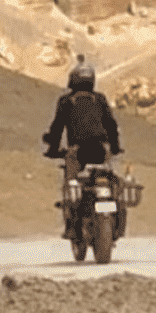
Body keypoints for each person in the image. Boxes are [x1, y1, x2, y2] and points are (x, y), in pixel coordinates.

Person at [42, 56, 123, 237]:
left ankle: (72, 225)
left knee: (72, 183)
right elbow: (111, 125)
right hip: (102, 150)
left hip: (78, 151)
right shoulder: (100, 99)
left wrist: (52, 149)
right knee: (110, 180)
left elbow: (57, 128)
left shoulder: (66, 101)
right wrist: (116, 147)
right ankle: (116, 219)